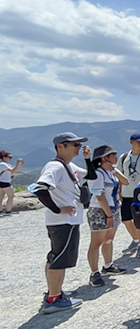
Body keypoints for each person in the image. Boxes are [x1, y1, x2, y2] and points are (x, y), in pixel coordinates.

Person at [34, 132, 95, 314]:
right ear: (60, 146)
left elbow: (90, 175)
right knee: (60, 260)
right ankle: (54, 299)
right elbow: (40, 189)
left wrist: (87, 158)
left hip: (65, 222)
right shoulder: (55, 167)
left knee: (55, 256)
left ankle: (54, 291)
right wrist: (58, 209)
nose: (78, 147)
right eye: (74, 144)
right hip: (63, 221)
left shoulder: (68, 165)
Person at [87, 145, 129, 287]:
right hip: (100, 210)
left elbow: (125, 181)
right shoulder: (97, 174)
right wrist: (109, 215)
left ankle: (108, 265)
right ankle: (94, 272)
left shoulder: (110, 172)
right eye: (113, 154)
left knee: (109, 239)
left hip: (113, 209)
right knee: (96, 242)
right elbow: (99, 197)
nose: (116, 156)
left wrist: (114, 170)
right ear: (104, 158)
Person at [116, 133, 140, 259]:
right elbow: (119, 174)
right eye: (139, 141)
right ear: (131, 142)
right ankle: (136, 240)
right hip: (126, 193)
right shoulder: (123, 158)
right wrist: (119, 191)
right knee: (126, 220)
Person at [0, 150, 23, 215]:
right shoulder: (3, 164)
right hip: (5, 182)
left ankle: (0, 210)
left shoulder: (6, 164)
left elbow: (14, 170)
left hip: (1, 182)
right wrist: (17, 163)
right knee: (11, 196)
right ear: (4, 157)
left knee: (1, 197)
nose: (10, 158)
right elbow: (13, 170)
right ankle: (8, 210)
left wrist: (19, 164)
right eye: (9, 157)